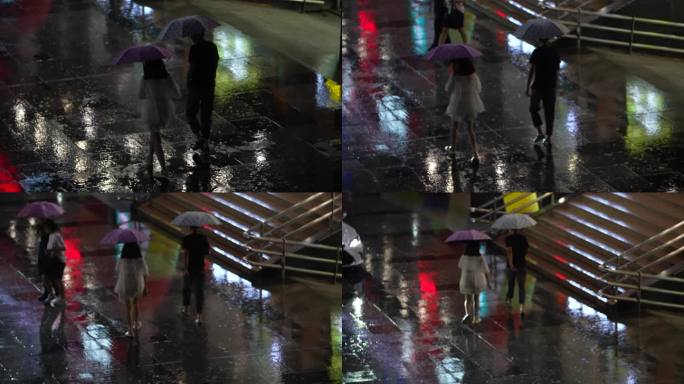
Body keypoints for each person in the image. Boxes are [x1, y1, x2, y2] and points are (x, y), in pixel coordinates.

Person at [139, 59, 181, 178]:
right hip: (164, 109)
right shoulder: (167, 77)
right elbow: (176, 94)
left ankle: (164, 168)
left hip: (151, 110)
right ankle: (149, 159)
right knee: (155, 134)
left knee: (156, 138)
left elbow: (141, 95)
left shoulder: (145, 79)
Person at [445, 58, 484, 165]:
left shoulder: (455, 75)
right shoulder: (472, 75)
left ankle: (452, 149)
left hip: (457, 103)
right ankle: (475, 154)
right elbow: (479, 88)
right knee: (470, 129)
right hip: (470, 103)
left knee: (454, 126)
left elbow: (448, 88)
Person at [186, 32, 219, 149]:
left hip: (196, 85)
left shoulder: (194, 48)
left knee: (190, 112)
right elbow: (215, 63)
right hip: (209, 84)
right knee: (206, 114)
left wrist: (187, 81)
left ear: (194, 36)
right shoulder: (212, 46)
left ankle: (199, 136)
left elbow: (192, 67)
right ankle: (205, 140)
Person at [526, 38, 561, 146]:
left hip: (538, 86)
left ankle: (540, 132)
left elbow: (532, 70)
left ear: (540, 40)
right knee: (549, 112)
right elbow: (557, 69)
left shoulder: (537, 51)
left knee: (533, 108)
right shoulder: (555, 52)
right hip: (550, 86)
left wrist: (528, 86)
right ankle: (548, 136)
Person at [114, 242, 149, 337]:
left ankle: (130, 330)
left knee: (128, 307)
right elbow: (145, 273)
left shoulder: (122, 260)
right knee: (136, 303)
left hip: (125, 283)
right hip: (138, 283)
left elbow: (117, 270)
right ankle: (136, 323)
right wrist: (146, 287)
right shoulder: (140, 259)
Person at [181, 226, 210, 324]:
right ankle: (199, 316)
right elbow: (207, 252)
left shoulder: (186, 239)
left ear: (190, 228)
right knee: (199, 292)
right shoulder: (203, 238)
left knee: (186, 288)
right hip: (200, 268)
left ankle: (186, 308)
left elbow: (185, 254)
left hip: (189, 268)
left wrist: (185, 268)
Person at [458, 241, 490, 324]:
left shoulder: (463, 257)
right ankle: (476, 318)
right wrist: (489, 282)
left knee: (468, 299)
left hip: (466, 280)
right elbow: (486, 271)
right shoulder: (480, 257)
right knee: (476, 299)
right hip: (478, 280)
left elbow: (460, 267)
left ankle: (467, 314)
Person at [505, 229, 529, 317]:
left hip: (512, 265)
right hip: (522, 264)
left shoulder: (509, 238)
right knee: (521, 286)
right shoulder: (523, 238)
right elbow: (526, 251)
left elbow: (509, 252)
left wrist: (511, 264)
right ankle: (522, 307)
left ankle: (509, 300)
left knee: (511, 283)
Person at [45, 219, 66, 307]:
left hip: (59, 260)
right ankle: (58, 296)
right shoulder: (52, 235)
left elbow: (63, 248)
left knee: (58, 279)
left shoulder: (55, 235)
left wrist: (51, 250)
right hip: (54, 259)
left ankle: (62, 298)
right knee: (54, 278)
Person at [36, 219, 53, 303]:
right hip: (42, 255)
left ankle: (50, 294)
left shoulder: (49, 234)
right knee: (44, 276)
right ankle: (47, 293)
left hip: (47, 257)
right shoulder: (42, 232)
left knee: (47, 277)